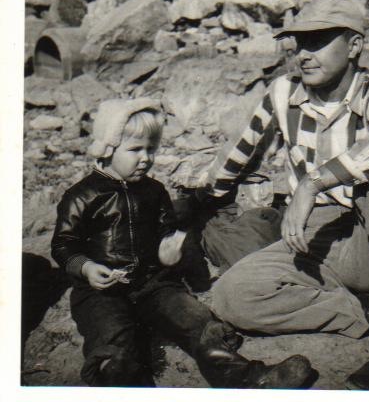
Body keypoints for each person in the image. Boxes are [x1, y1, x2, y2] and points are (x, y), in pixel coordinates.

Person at [195, 0, 369, 390]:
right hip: (317, 239)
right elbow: (241, 153)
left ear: (354, 46)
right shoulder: (283, 92)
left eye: (318, 41)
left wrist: (314, 180)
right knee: (231, 297)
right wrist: (203, 201)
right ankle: (367, 314)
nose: (303, 54)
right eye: (298, 44)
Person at [50, 97, 314, 389]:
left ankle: (250, 379)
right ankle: (121, 382)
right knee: (112, 340)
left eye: (151, 149)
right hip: (100, 291)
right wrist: (86, 268)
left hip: (154, 284)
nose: (146, 158)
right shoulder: (83, 195)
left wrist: (167, 250)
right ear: (107, 149)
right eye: (135, 150)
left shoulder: (154, 191)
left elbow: (167, 229)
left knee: (199, 323)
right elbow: (64, 244)